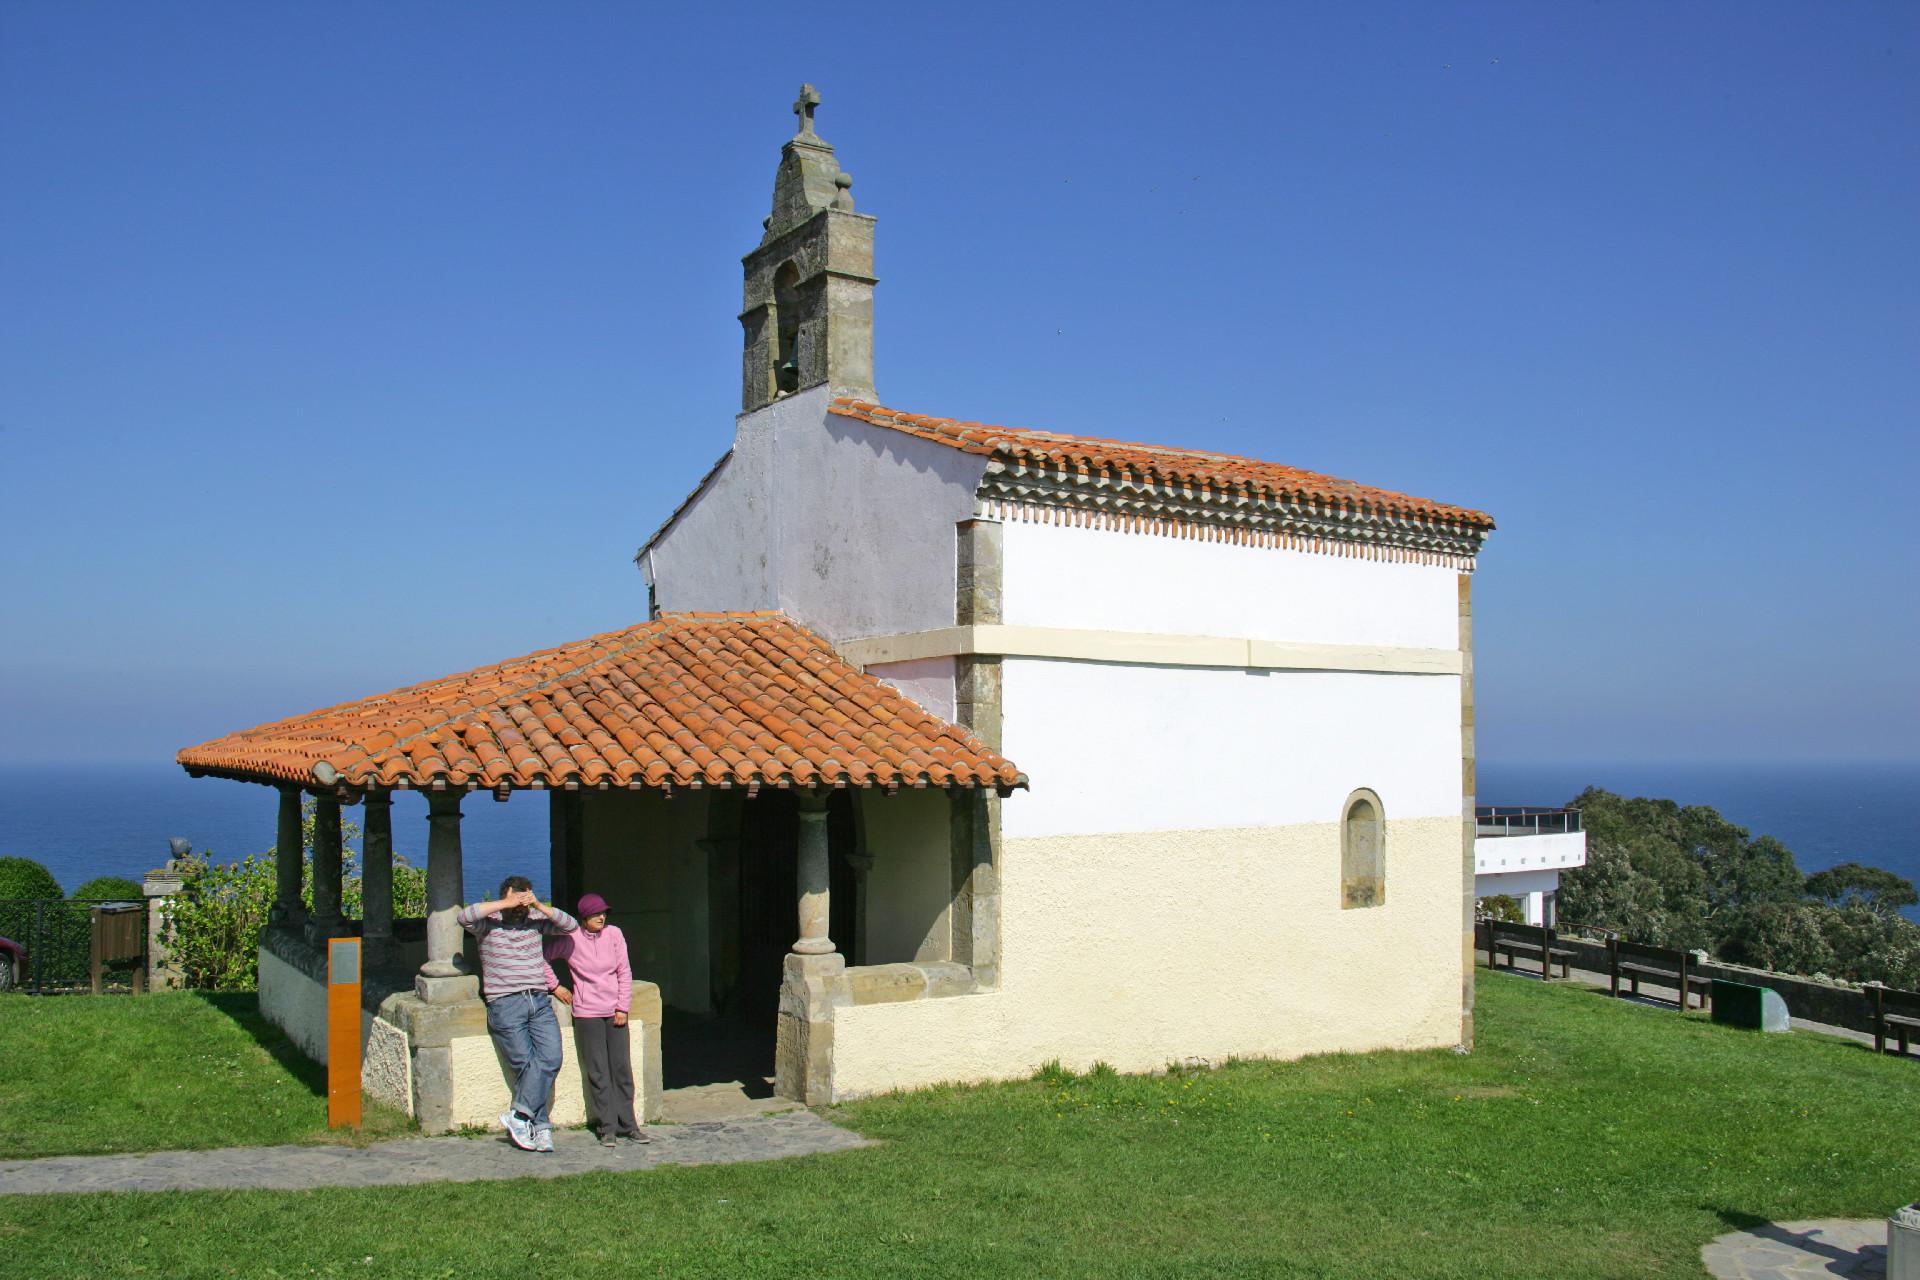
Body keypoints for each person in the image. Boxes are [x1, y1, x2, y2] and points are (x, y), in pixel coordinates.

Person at [457, 876, 576, 1153]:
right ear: (505, 896)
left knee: (550, 1058)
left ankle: (520, 1117)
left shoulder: (535, 921)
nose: (519, 904)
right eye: (516, 897)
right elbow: (464, 917)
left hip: (538, 1001)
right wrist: (505, 903)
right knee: (526, 1066)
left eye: (523, 897)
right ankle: (542, 1128)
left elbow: (569, 926)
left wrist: (538, 904)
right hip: (505, 1003)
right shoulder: (488, 924)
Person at [546, 892, 648, 1147]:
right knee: (598, 1071)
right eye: (595, 914)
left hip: (615, 1011)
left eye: (603, 913)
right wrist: (555, 986)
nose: (601, 917)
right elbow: (539, 958)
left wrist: (622, 1007)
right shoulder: (570, 939)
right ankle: (607, 1127)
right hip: (587, 1013)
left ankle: (629, 1125)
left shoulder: (614, 935)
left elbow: (624, 971)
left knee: (622, 1069)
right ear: (584, 917)